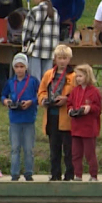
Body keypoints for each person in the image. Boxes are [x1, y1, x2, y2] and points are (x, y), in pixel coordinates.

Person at [38, 44, 75, 182]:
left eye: (65, 58)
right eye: (59, 58)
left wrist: (66, 99)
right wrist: (43, 100)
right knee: (54, 148)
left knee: (68, 149)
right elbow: (41, 91)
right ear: (55, 59)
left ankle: (69, 174)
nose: (62, 61)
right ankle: (55, 174)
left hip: (66, 116)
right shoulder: (49, 74)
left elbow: (77, 95)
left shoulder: (74, 75)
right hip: (51, 115)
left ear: (69, 59)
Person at [3, 53, 38, 181]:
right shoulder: (10, 82)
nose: (19, 69)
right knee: (15, 148)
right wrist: (6, 102)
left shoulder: (33, 81)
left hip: (29, 118)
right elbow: (3, 95)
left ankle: (28, 172)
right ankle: (14, 173)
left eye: (21, 66)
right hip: (14, 119)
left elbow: (39, 96)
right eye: (17, 66)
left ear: (26, 67)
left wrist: (31, 102)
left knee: (28, 148)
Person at [68, 64, 102, 181]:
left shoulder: (94, 91)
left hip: (89, 128)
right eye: (77, 76)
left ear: (87, 76)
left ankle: (93, 175)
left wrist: (89, 108)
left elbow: (98, 108)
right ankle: (78, 174)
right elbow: (70, 103)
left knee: (89, 153)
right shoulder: (75, 91)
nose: (78, 78)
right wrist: (71, 110)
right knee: (76, 153)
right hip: (76, 127)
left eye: (80, 76)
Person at [21, 0, 60, 80]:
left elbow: (27, 31)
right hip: (50, 49)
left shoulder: (34, 11)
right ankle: (45, 94)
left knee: (35, 78)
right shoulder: (55, 12)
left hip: (36, 49)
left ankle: (36, 95)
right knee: (47, 78)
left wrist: (24, 46)